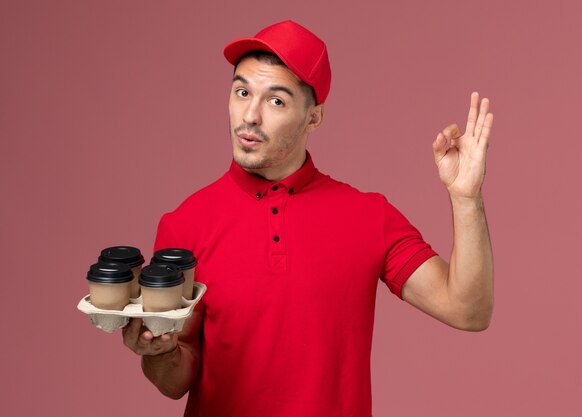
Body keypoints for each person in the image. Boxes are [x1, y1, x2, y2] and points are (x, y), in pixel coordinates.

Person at [122, 20, 494, 417]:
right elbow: (177, 379)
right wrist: (159, 352)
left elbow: (467, 310)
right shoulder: (185, 224)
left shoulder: (368, 216)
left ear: (314, 118)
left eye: (276, 101)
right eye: (242, 92)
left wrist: (466, 198)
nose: (249, 115)